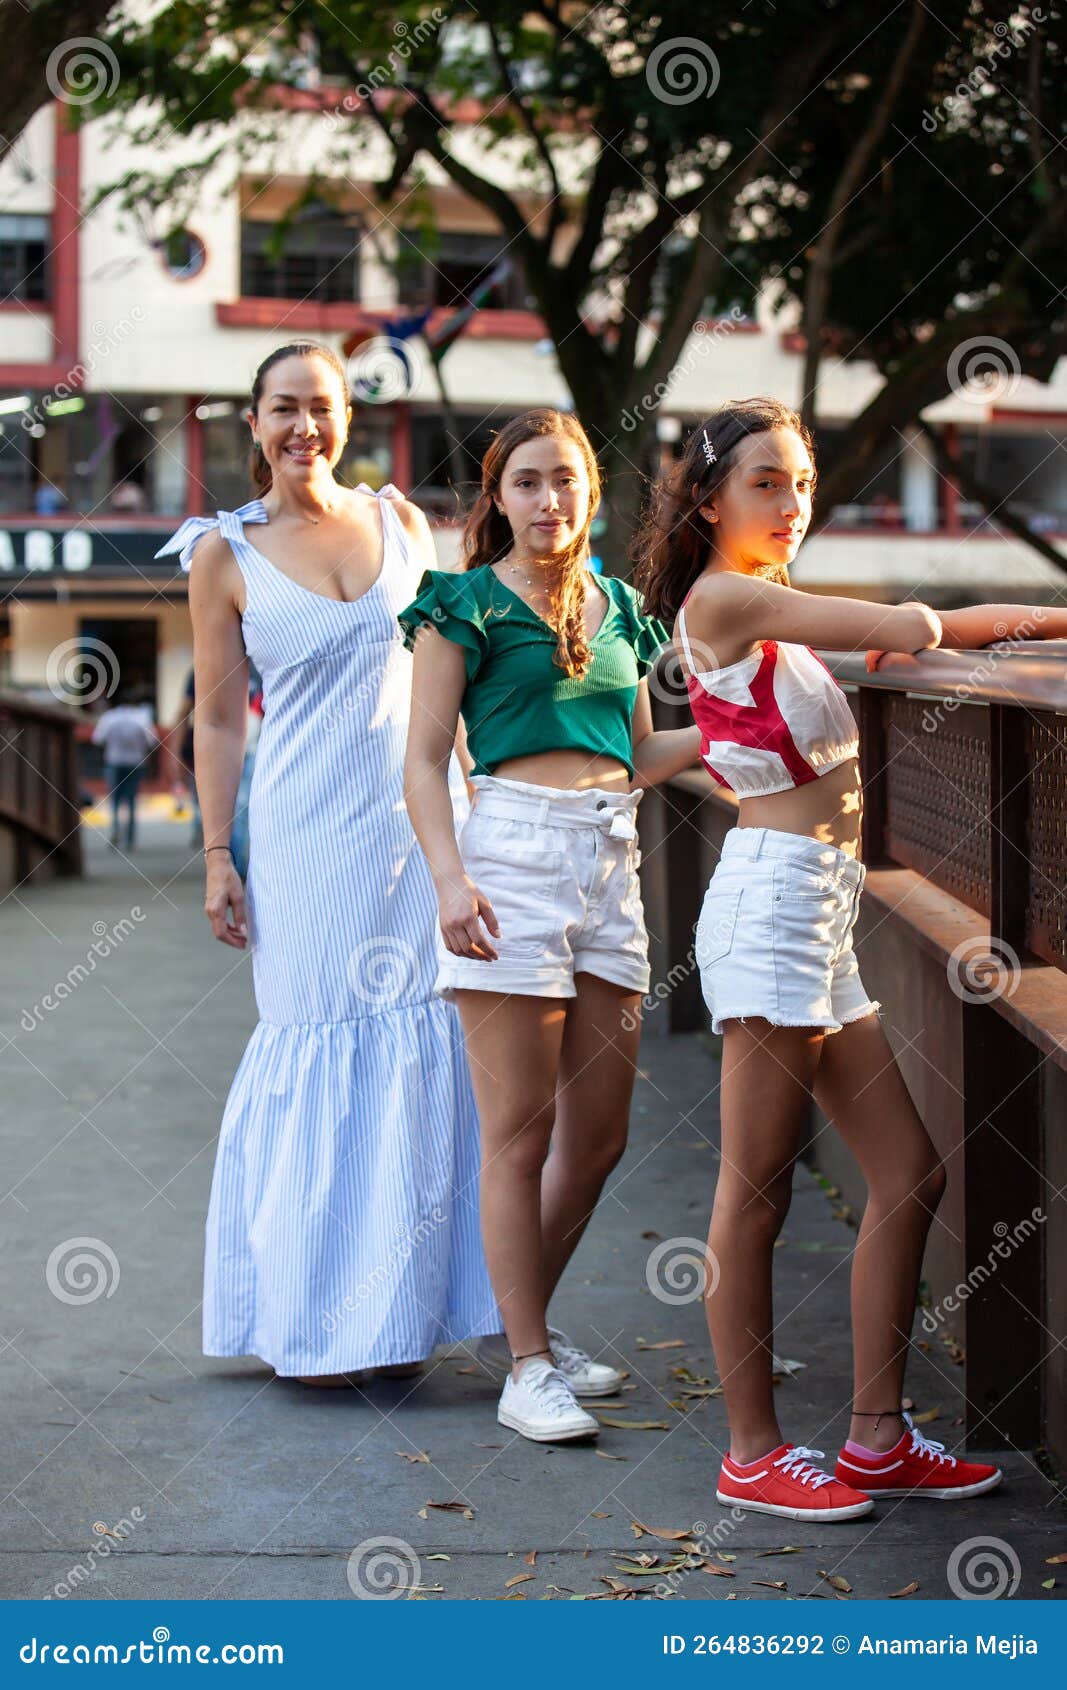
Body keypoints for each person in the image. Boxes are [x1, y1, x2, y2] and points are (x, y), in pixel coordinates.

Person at [633, 396, 1067, 1520]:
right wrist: (952, 621)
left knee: (910, 1170)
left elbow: (921, 631)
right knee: (755, 1186)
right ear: (709, 497)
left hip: (815, 916)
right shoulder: (727, 596)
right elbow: (911, 626)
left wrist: (1044, 620)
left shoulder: (770, 621)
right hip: (769, 910)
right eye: (764, 481)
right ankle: (749, 1450)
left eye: (799, 482)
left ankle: (876, 1437)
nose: (788, 502)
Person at [156, 340, 499, 1388]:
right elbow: (218, 723)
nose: (304, 425)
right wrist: (219, 854)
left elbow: (448, 683)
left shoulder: (403, 522)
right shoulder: (225, 553)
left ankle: (414, 1317)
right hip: (303, 840)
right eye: (282, 408)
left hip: (416, 833)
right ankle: (312, 1321)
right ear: (251, 425)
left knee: (430, 1054)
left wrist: (487, 816)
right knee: (318, 1048)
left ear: (347, 415)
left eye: (322, 405)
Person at [398, 407, 702, 1443]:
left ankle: (510, 1325)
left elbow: (639, 754)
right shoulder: (460, 604)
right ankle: (527, 1363)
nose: (547, 500)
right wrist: (447, 879)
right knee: (517, 1134)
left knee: (600, 1135)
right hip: (508, 861)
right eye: (525, 482)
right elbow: (422, 758)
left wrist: (754, 736)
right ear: (498, 498)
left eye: (564, 480)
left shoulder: (620, 607)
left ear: (589, 493)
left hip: (608, 857)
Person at [90, 687, 159, 850]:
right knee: (131, 801)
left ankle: (115, 831)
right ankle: (130, 840)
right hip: (135, 762)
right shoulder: (142, 717)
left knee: (114, 801)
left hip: (114, 761)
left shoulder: (109, 717)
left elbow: (97, 739)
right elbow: (153, 741)